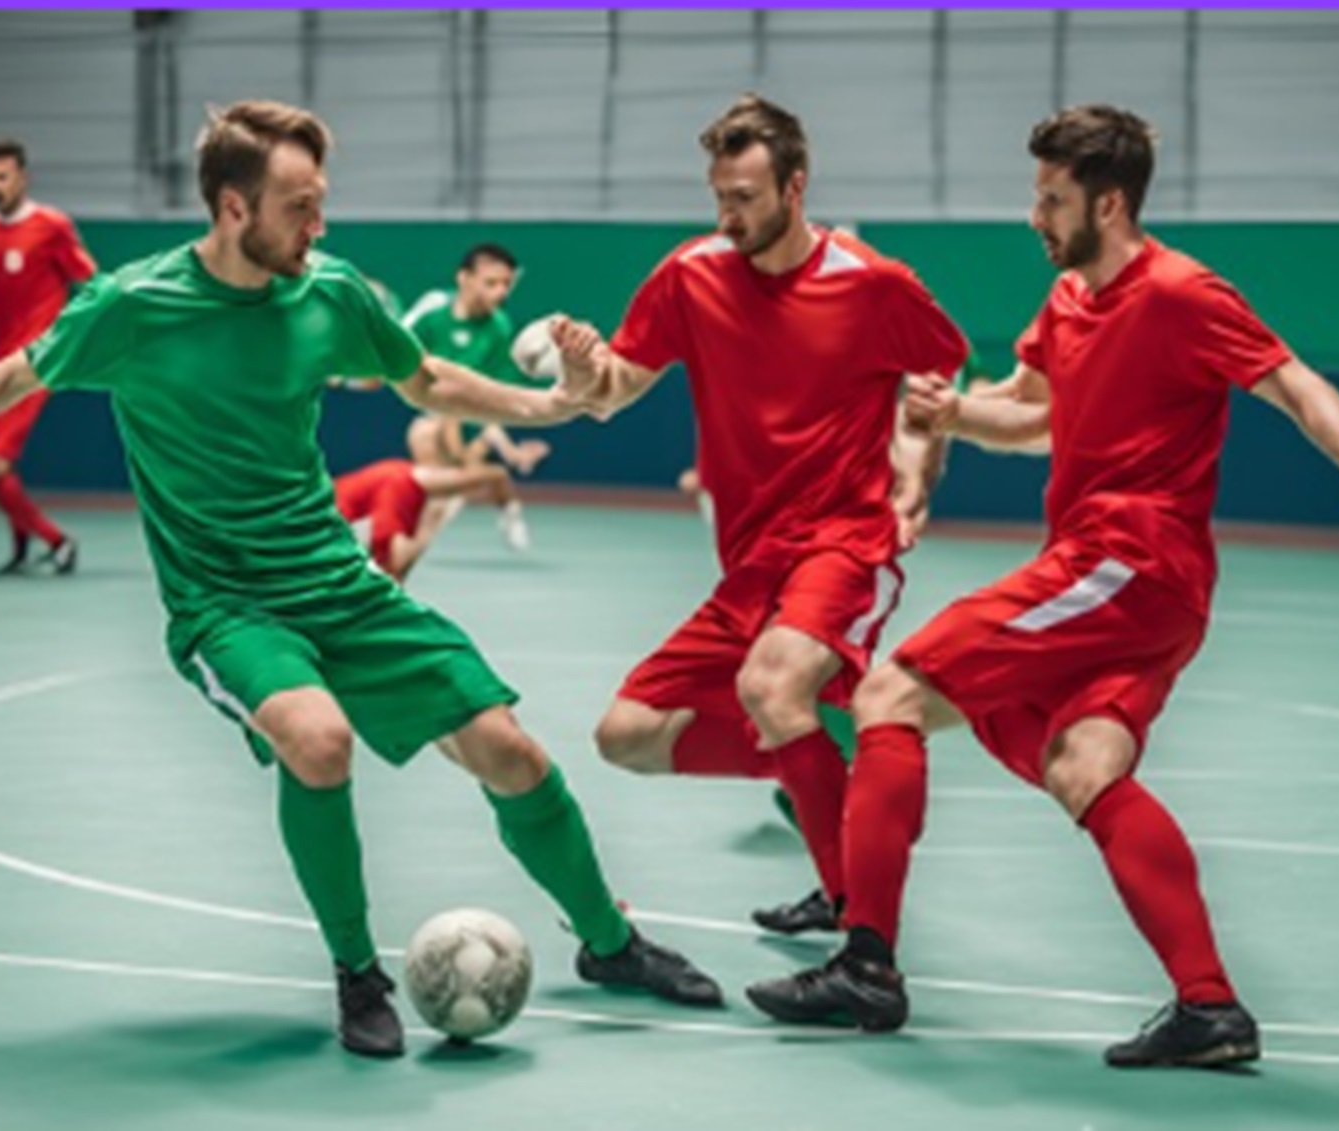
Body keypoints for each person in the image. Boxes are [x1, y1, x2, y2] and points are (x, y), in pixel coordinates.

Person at [0, 100, 720, 1059]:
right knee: (318, 740)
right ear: (232, 207)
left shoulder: (327, 293)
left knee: (510, 751)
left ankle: (610, 942)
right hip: (224, 604)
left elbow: (423, 378)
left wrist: (552, 402)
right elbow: (6, 378)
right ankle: (357, 972)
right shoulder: (134, 306)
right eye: (299, 208)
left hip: (335, 581)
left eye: (320, 203)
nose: (319, 226)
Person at [744, 104, 1339, 1070]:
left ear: (1107, 202)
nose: (1035, 214)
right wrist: (949, 413)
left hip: (1128, 557)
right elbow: (1029, 416)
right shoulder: (1067, 299)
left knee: (889, 693)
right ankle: (1210, 1007)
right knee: (1081, 765)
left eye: (1051, 197)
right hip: (1137, 584)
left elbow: (1293, 383)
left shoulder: (1180, 292)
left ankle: (865, 959)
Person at [549, 94, 968, 938]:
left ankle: (861, 934)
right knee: (625, 734)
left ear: (794, 186)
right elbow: (613, 394)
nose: (728, 214)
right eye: (719, 197)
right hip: (748, 565)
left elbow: (934, 391)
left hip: (844, 542)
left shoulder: (873, 283)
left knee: (771, 685)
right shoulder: (690, 275)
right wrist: (586, 371)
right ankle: (832, 792)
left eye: (744, 195)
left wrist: (916, 477)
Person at [0, 138, 98, 573]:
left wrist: (75, 339)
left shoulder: (51, 225)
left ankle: (57, 541)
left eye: (4, 176)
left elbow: (90, 282)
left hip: (38, 363)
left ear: (23, 177)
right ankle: (21, 548)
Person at [403, 243, 549, 551]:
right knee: (425, 441)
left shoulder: (499, 327)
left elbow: (493, 394)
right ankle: (487, 484)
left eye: (507, 284)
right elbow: (399, 347)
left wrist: (506, 446)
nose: (502, 292)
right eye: (491, 283)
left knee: (457, 476)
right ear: (464, 278)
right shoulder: (433, 310)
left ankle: (505, 505)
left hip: (477, 417)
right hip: (437, 413)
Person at [334, 456, 528, 583]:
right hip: (391, 480)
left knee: (392, 570)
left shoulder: (395, 488)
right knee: (390, 573)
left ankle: (510, 509)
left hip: (392, 485)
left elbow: (396, 568)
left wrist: (431, 524)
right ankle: (509, 506)